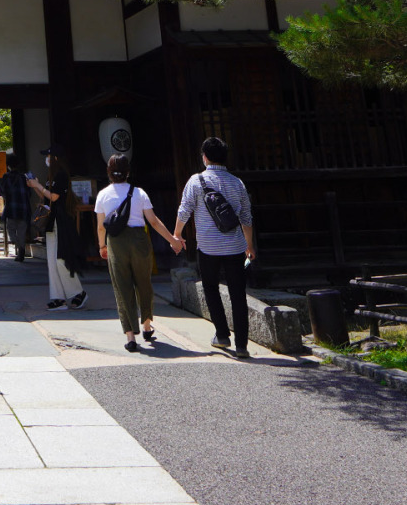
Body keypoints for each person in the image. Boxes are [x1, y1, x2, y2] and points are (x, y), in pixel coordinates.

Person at [175, 136, 257, 359]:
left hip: (208, 247)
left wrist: (177, 234)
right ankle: (242, 345)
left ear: (205, 157)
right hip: (235, 247)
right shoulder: (237, 182)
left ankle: (222, 334)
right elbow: (246, 218)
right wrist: (249, 246)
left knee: (210, 288)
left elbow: (184, 211)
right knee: (238, 294)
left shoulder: (196, 181)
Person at [94, 152, 182, 353]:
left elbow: (101, 227)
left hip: (116, 242)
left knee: (122, 286)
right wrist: (173, 241)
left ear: (109, 172)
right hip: (139, 241)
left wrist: (102, 246)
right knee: (144, 283)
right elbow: (153, 221)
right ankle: (147, 326)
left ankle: (130, 336)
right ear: (128, 172)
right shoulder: (139, 193)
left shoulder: (103, 195)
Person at [29, 149, 87, 309]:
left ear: (55, 158)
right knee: (52, 262)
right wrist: (35, 185)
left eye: (48, 156)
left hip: (61, 221)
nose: (46, 159)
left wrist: (38, 185)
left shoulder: (61, 175)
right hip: (51, 221)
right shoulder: (52, 176)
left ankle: (78, 292)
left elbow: (54, 197)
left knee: (61, 260)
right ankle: (58, 297)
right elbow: (45, 196)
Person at [0, 150, 33, 262]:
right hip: (24, 208)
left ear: (8, 166)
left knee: (10, 229)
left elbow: (2, 191)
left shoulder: (6, 177)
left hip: (11, 208)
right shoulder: (24, 177)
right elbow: (29, 193)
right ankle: (21, 249)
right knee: (22, 230)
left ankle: (19, 247)